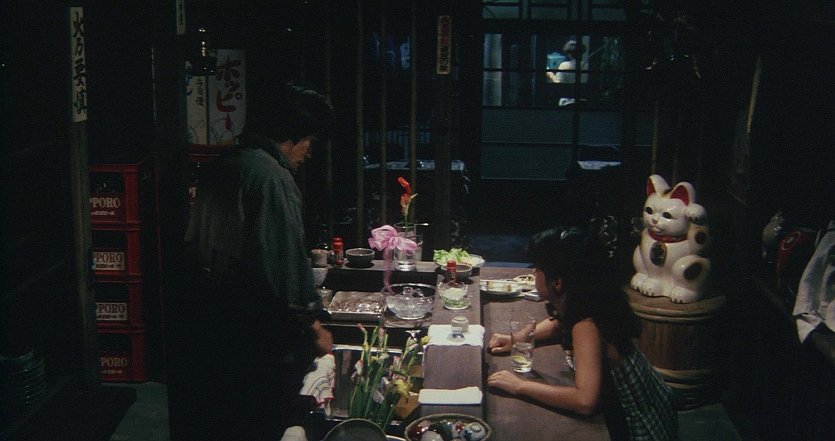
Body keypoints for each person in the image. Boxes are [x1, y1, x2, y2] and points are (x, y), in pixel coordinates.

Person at [168, 82, 335, 441]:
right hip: (255, 336)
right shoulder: (272, 178)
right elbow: (284, 268)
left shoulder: (226, 164)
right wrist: (313, 326)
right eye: (310, 142)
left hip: (210, 329)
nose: (309, 153)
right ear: (293, 136)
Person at [486, 226, 679, 441]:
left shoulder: (586, 326)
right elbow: (559, 325)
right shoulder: (589, 298)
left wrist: (519, 386)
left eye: (538, 269)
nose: (533, 273)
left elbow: (585, 401)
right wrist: (519, 339)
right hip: (657, 412)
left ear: (557, 282)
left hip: (638, 429)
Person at [547, 39, 588, 106]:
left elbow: (558, 84)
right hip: (584, 102)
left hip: (567, 103)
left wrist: (550, 75)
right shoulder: (587, 66)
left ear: (569, 53)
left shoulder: (564, 65)